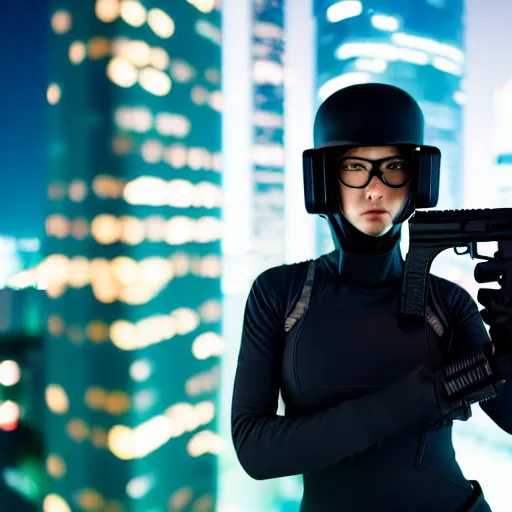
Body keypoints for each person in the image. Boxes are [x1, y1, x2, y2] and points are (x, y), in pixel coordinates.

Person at [231, 83, 512, 512]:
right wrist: (418, 398)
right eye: (356, 167)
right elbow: (256, 449)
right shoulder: (280, 295)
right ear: (326, 178)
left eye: (394, 166)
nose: (375, 189)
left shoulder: (448, 303)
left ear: (417, 179)